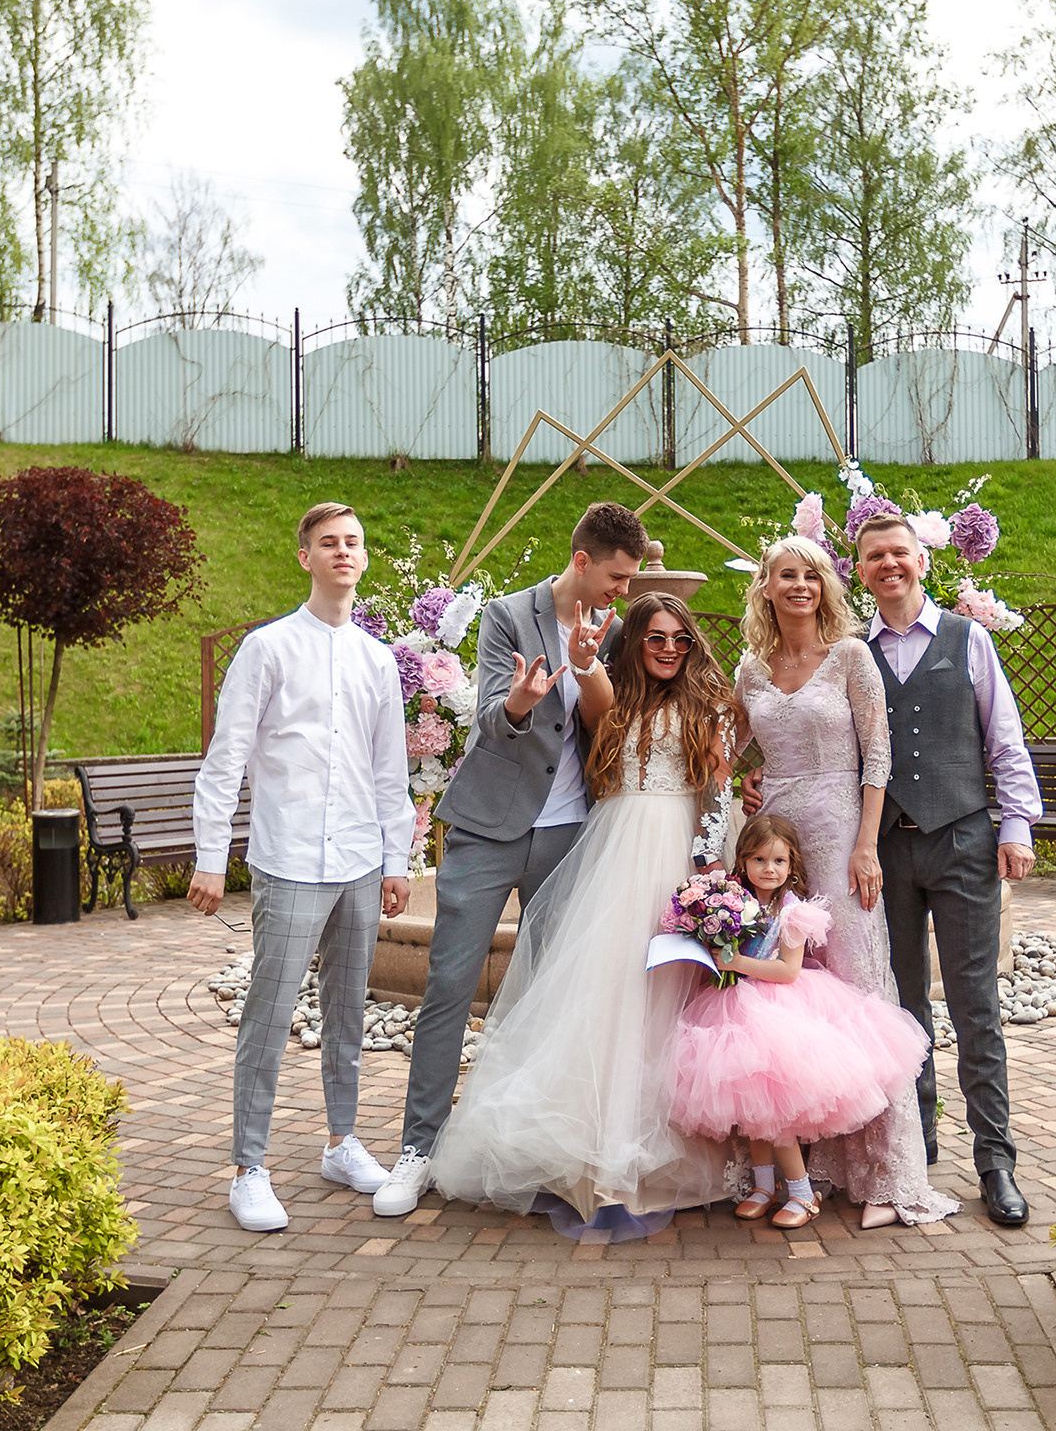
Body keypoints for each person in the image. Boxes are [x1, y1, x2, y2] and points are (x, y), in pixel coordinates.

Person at [427, 591, 738, 1226]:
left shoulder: (708, 705)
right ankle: (589, 1149)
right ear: (634, 645)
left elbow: (717, 788)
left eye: (680, 639)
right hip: (618, 854)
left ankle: (667, 1140)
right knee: (609, 989)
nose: (670, 650)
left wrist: (712, 873)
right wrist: (587, 661)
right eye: (655, 639)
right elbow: (594, 695)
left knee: (670, 998)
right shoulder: (615, 703)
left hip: (679, 852)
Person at [373, 502, 644, 1218]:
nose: (622, 591)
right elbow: (493, 712)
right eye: (616, 576)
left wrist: (587, 670)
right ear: (582, 562)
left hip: (567, 831)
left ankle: (518, 1147)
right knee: (449, 986)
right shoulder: (506, 616)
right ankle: (418, 1149)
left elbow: (605, 726)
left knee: (547, 997)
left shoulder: (614, 629)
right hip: (489, 825)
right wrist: (522, 702)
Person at [188, 501, 415, 1233]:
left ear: (365, 557)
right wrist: (210, 857)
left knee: (348, 1011)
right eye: (329, 543)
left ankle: (342, 1143)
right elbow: (225, 758)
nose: (343, 552)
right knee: (270, 1013)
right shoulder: (267, 649)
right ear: (305, 557)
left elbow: (390, 771)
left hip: (356, 860)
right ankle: (249, 1168)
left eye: (354, 541)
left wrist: (396, 855)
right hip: (287, 861)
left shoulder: (378, 660)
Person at [735, 534, 959, 1228]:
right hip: (776, 844)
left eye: (811, 575)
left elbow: (878, 752)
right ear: (766, 588)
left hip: (839, 835)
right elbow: (739, 744)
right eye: (785, 575)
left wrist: (868, 844)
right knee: (788, 1000)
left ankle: (890, 1177)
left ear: (826, 586)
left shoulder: (851, 655)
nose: (799, 585)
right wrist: (745, 776)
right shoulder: (750, 668)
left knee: (859, 986)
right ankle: (813, 1166)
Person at [855, 511, 1042, 1228]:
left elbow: (1004, 736)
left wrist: (1016, 826)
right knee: (901, 1007)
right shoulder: (853, 652)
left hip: (963, 840)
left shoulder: (969, 641)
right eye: (875, 557)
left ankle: (995, 1162)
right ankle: (920, 1147)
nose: (889, 565)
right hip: (887, 852)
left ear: (921, 561)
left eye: (899, 552)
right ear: (863, 571)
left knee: (975, 1007)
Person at [667, 813, 934, 1230]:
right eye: (758, 860)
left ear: (792, 865)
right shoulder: (734, 902)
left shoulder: (793, 912)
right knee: (749, 1108)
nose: (768, 870)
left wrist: (737, 961)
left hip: (778, 1011)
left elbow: (789, 971)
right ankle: (762, 1186)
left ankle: (802, 1193)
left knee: (774, 1117)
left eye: (778, 861)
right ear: (742, 861)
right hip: (734, 1005)